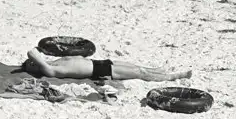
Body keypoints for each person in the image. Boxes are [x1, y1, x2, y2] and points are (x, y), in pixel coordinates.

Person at [17, 47, 191, 82]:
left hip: (98, 63)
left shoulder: (52, 63)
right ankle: (172, 77)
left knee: (138, 66)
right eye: (31, 64)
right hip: (100, 71)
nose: (33, 62)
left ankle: (160, 70)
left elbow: (35, 56)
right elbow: (32, 52)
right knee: (139, 73)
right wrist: (29, 63)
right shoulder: (50, 70)